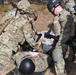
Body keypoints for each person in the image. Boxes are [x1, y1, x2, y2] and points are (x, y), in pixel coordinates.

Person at [0, 0, 41, 74]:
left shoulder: (18, 19)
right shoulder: (24, 21)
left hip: (4, 42)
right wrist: (37, 48)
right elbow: (29, 38)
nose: (32, 21)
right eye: (32, 19)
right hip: (8, 45)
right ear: (30, 16)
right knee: (3, 68)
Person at [47, 0, 75, 75]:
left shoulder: (64, 16)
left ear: (52, 9)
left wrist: (57, 45)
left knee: (57, 51)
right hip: (71, 46)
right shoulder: (66, 14)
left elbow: (65, 36)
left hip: (73, 47)